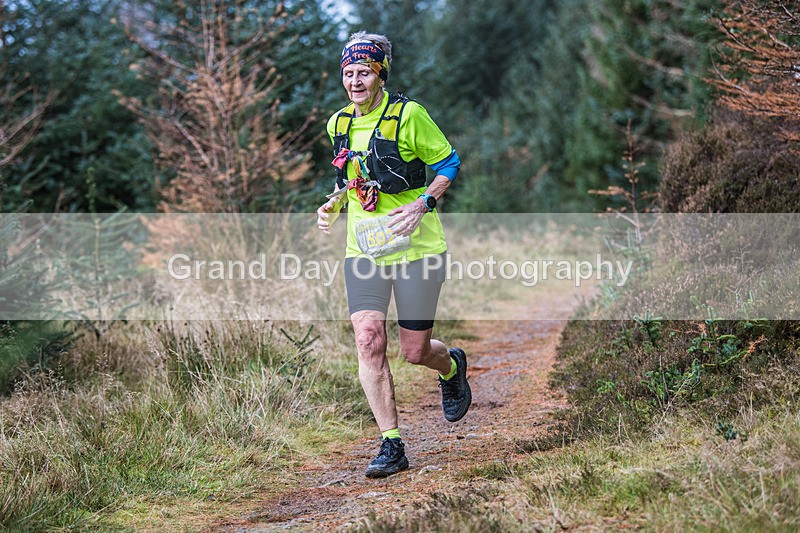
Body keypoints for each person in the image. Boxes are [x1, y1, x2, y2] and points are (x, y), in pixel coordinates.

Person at [316, 31, 471, 478]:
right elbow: (355, 179)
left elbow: (449, 163)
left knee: (415, 351)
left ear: (380, 73)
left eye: (364, 72)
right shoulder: (338, 124)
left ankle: (451, 365)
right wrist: (335, 202)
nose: (355, 81)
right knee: (368, 338)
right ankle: (391, 443)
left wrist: (424, 203)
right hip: (364, 250)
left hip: (417, 248)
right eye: (348, 73)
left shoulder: (410, 116)